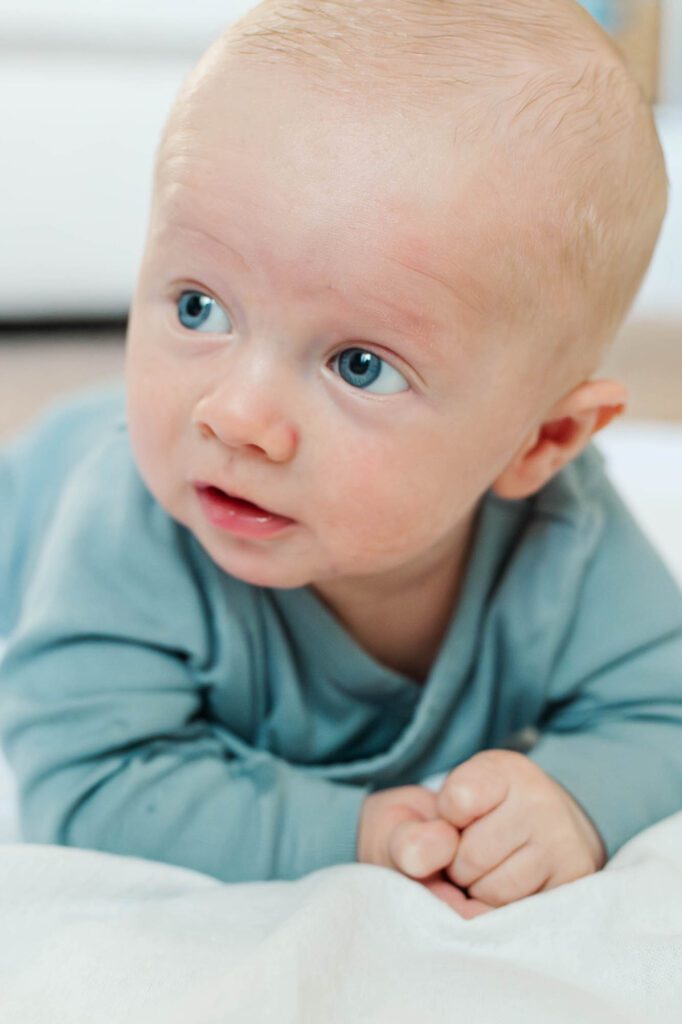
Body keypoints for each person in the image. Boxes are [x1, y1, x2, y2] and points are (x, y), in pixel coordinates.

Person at [0, 0, 680, 920]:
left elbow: (666, 710)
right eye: (199, 307)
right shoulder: (128, 518)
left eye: (360, 366)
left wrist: (578, 798)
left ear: (542, 443)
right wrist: (348, 832)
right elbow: (89, 782)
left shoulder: (566, 542)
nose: (235, 416)